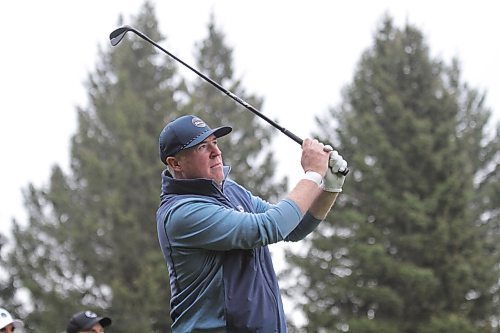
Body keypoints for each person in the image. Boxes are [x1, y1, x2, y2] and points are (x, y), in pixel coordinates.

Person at [156, 115, 348, 332]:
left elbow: (293, 228)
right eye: (202, 147)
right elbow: (268, 227)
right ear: (175, 163)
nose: (216, 153)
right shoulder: (182, 213)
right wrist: (313, 174)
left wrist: (329, 186)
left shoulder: (231, 190)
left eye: (215, 143)